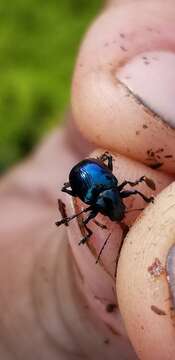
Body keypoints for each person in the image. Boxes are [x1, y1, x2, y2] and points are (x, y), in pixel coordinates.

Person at [0, 0, 175, 358]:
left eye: (115, 206)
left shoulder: (110, 193)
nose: (116, 209)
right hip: (87, 176)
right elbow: (84, 195)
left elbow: (112, 192)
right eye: (111, 206)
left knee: (124, 186)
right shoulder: (97, 200)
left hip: (92, 176)